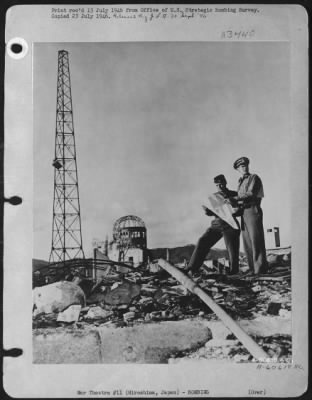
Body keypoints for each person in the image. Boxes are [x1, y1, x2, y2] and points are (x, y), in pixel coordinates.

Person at [186, 174, 240, 275]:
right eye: (217, 185)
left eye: (221, 184)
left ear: (225, 183)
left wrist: (235, 208)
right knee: (202, 241)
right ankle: (192, 268)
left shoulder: (234, 194)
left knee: (232, 249)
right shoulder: (213, 197)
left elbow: (241, 210)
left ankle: (234, 272)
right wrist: (207, 211)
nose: (219, 186)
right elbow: (212, 212)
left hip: (230, 224)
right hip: (217, 223)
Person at [229, 157, 268, 275]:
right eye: (241, 166)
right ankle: (252, 268)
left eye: (245, 165)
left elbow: (251, 193)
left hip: (252, 210)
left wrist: (234, 198)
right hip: (243, 213)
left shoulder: (253, 178)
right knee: (247, 242)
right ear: (237, 169)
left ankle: (260, 269)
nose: (244, 167)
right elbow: (240, 199)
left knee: (256, 240)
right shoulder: (240, 182)